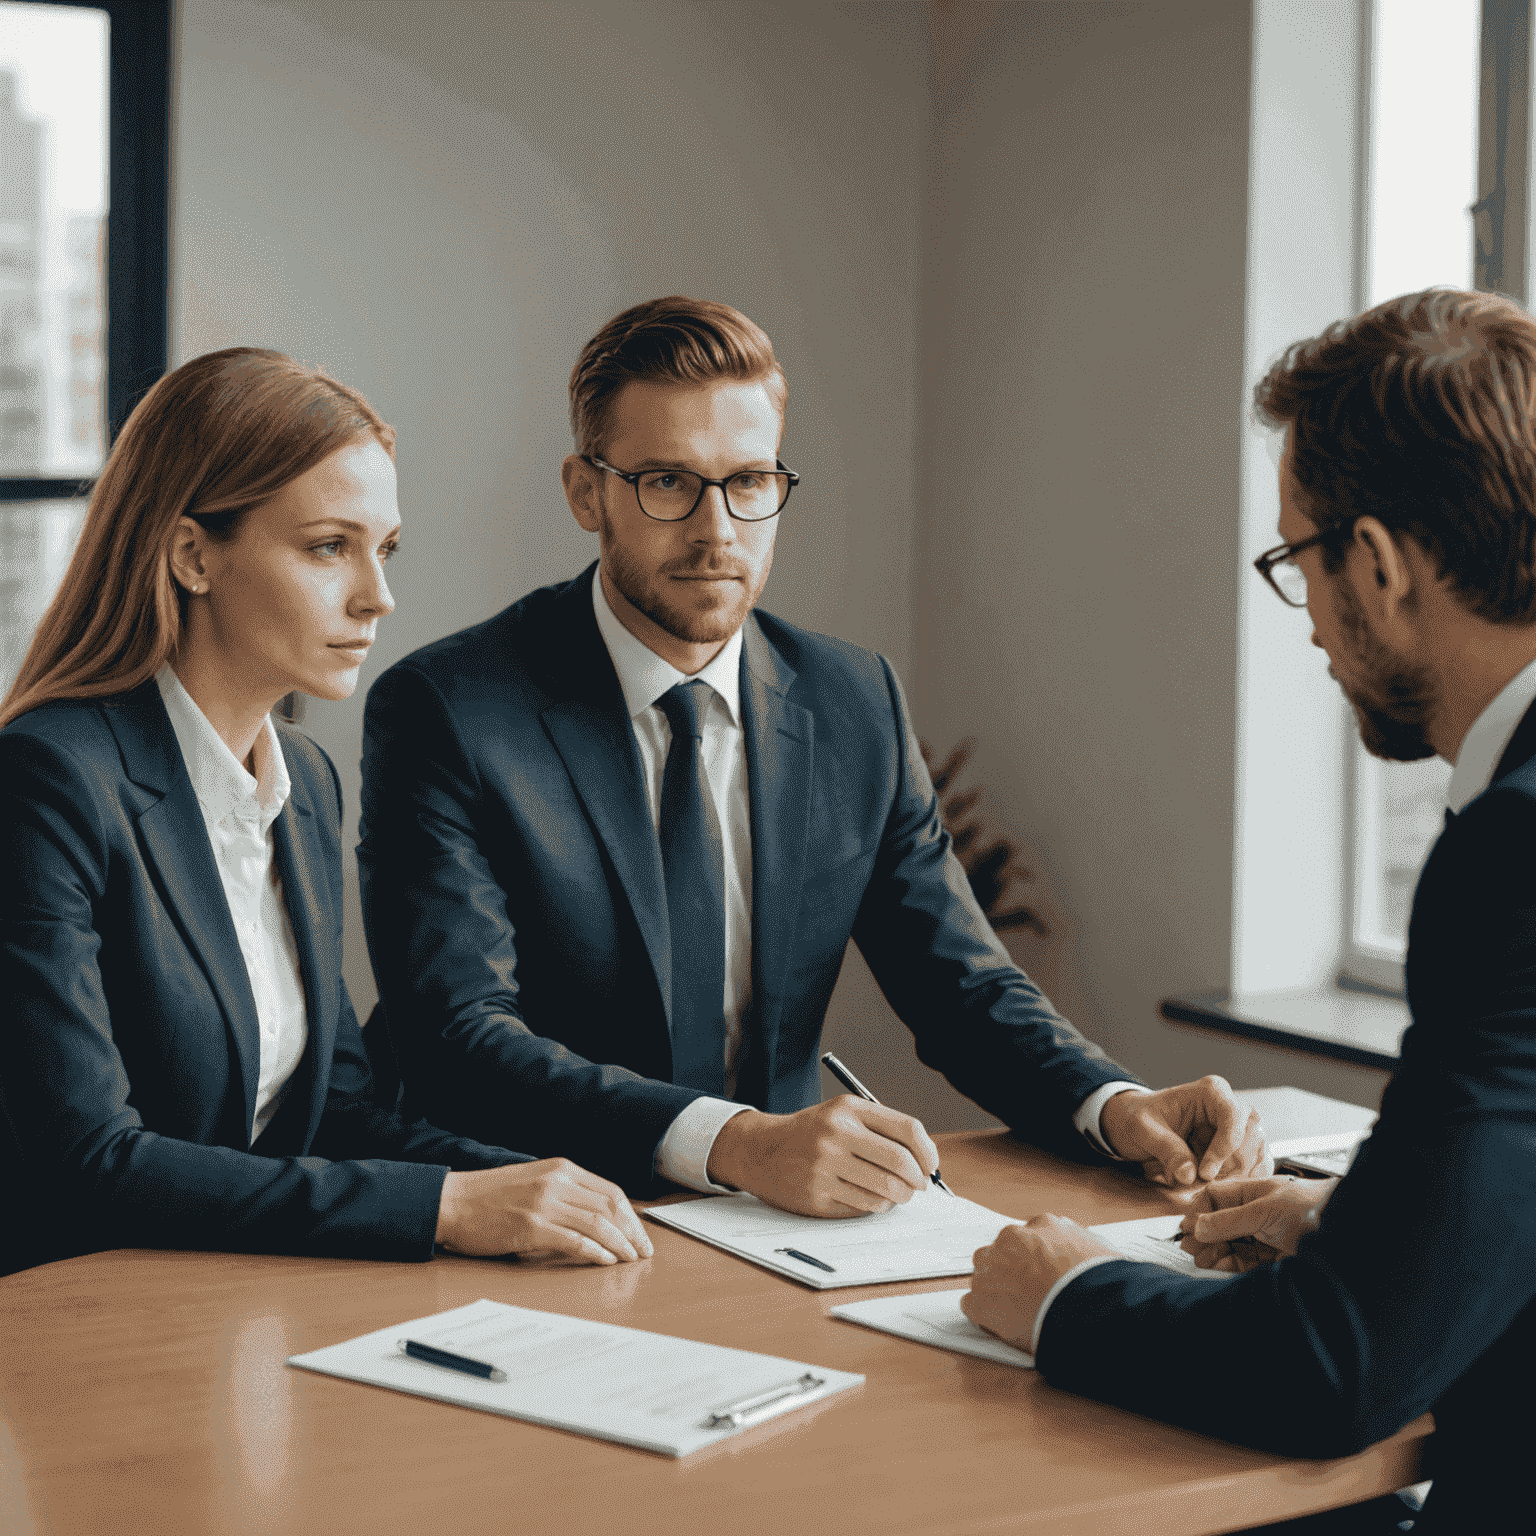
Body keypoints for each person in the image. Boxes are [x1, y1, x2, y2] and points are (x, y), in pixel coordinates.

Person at [358, 295, 1268, 1215]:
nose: (717, 531)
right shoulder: (449, 709)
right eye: (669, 483)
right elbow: (458, 1037)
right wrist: (742, 1140)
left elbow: (960, 981)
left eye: (749, 482)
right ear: (586, 490)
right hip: (526, 1215)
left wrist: (1111, 1104)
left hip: (773, 1224)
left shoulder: (851, 702)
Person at [961, 287, 1536, 1533]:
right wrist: (1371, 1227)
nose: (1313, 626)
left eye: (1297, 562)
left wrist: (1067, 1292)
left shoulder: (1514, 850)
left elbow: (1332, 1372)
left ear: (1376, 564)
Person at [0, 347, 651, 1277]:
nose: (377, 596)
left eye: (382, 550)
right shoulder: (46, 780)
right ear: (193, 553)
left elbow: (334, 1113)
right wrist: (448, 1206)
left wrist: (536, 1185)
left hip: (240, 1299)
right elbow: (89, 1163)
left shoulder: (303, 783)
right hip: (76, 1329)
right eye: (327, 547)